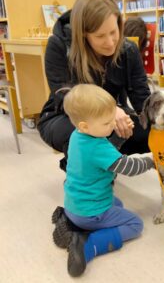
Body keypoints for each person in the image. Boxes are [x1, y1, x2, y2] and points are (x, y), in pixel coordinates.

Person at [37, 0, 151, 173]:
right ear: (83, 34)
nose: (110, 42)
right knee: (88, 136)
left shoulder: (128, 49)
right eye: (100, 36)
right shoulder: (58, 46)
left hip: (112, 117)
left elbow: (143, 100)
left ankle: (101, 160)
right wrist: (109, 111)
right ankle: (85, 176)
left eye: (114, 32)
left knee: (155, 130)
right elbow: (66, 98)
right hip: (65, 118)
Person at [53, 84, 154, 277]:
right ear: (85, 125)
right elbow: (129, 167)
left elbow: (107, 156)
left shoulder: (77, 136)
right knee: (135, 225)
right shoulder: (97, 146)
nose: (112, 125)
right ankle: (88, 244)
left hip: (75, 205)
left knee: (118, 203)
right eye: (107, 123)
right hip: (91, 213)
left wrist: (120, 137)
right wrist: (151, 161)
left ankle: (71, 220)